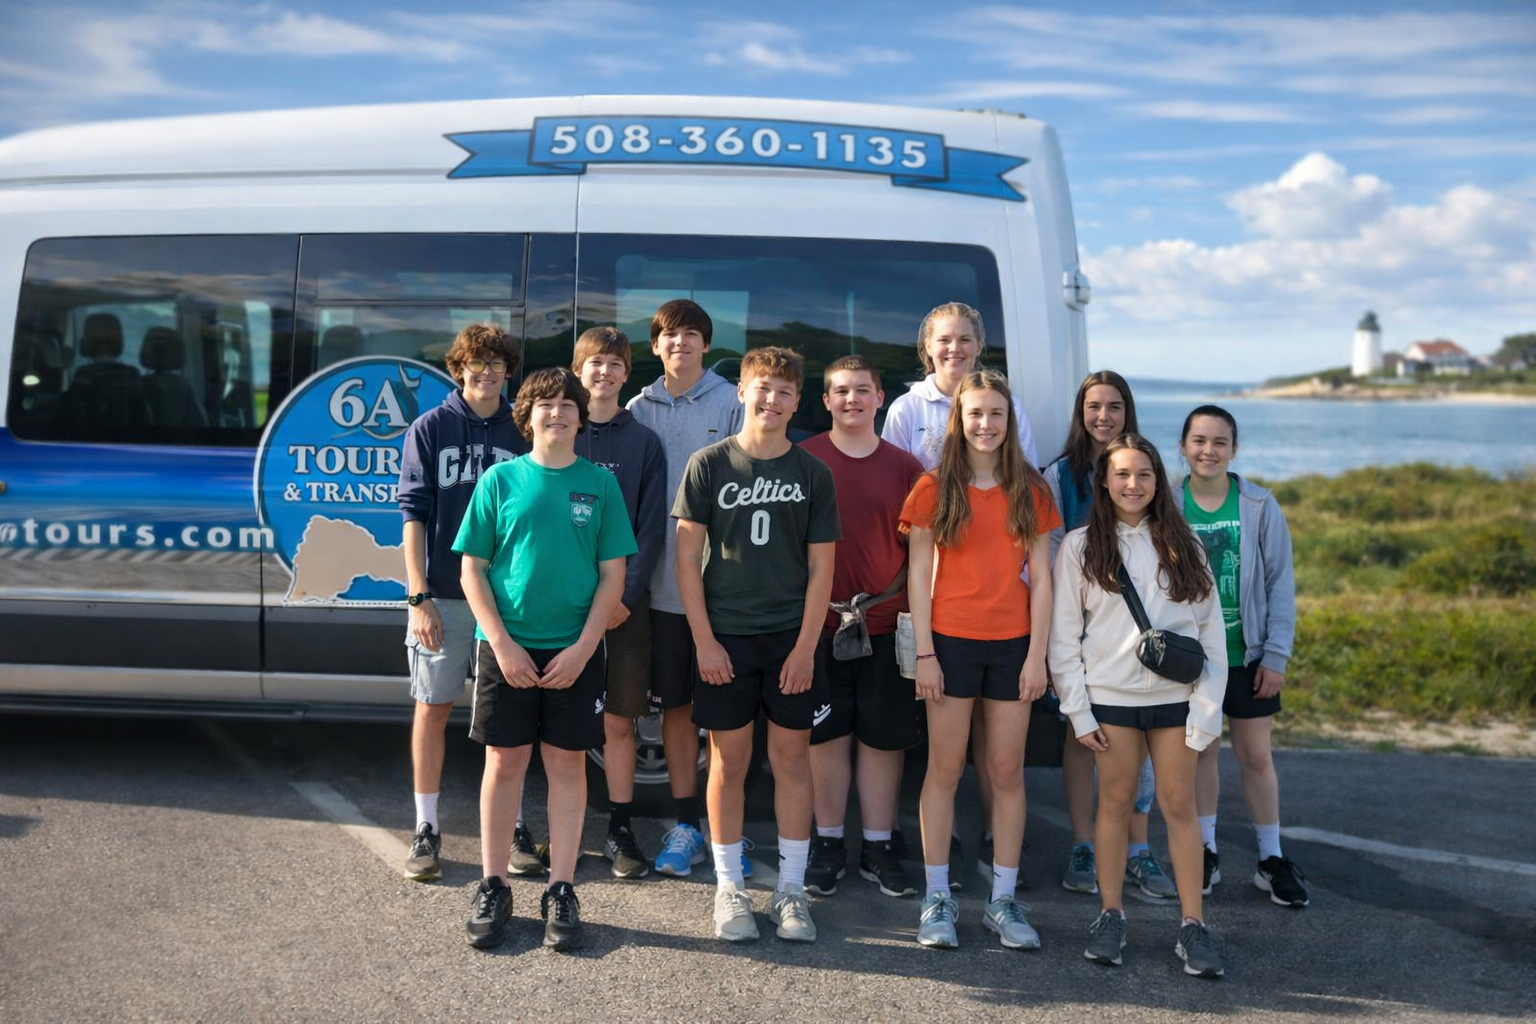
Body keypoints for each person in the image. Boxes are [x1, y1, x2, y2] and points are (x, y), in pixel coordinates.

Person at [455, 368, 637, 952]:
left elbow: (614, 575)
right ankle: (493, 885)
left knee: (567, 765)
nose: (555, 413)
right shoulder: (499, 480)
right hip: (504, 647)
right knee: (504, 763)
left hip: (574, 648)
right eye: (544, 404)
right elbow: (472, 570)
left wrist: (584, 648)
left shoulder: (600, 485)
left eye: (566, 405)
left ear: (582, 418)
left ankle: (561, 887)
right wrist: (501, 643)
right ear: (526, 414)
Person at [673, 345, 840, 943]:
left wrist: (804, 647)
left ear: (798, 402)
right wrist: (704, 640)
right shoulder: (708, 464)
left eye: (785, 392)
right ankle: (729, 889)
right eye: (762, 387)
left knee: (792, 761)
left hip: (791, 640)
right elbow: (687, 560)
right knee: (728, 760)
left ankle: (791, 891)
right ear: (741, 391)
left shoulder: (813, 473)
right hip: (726, 639)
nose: (772, 400)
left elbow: (823, 570)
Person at [1048, 434, 1228, 978]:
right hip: (1110, 703)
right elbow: (1064, 639)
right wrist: (1079, 711)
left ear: (1159, 481)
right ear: (1104, 480)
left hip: (1177, 702)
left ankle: (1193, 925)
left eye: (1144, 474)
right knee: (1116, 805)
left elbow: (1211, 637)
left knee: (1179, 807)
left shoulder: (1186, 545)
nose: (1133, 484)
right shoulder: (1080, 547)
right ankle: (1110, 915)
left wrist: (1206, 710)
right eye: (1122, 474)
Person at [900, 369, 1058, 951]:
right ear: (958, 421)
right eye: (975, 414)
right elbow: (919, 575)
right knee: (943, 771)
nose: (986, 424)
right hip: (949, 643)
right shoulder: (933, 487)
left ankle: (1003, 901)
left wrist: (1037, 656)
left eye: (996, 414)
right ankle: (937, 898)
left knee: (1005, 774)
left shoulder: (1033, 491)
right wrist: (925, 653)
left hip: (1014, 646)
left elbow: (1042, 580)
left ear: (1009, 421)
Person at [881, 302, 1039, 883]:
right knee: (941, 755)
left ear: (979, 345)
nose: (955, 348)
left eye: (965, 339)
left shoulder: (1012, 415)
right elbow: (898, 494)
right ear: (928, 348)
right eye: (944, 340)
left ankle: (1001, 866)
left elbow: (1022, 503)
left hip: (1003, 613)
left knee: (1003, 763)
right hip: (938, 604)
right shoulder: (906, 411)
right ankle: (938, 869)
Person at [397, 323, 536, 883]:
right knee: (432, 708)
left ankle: (518, 825)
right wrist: (417, 597)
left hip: (510, 603)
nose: (486, 372)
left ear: (509, 370)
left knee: (508, 721)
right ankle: (426, 827)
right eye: (476, 363)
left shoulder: (522, 427)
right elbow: (413, 515)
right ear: (459, 369)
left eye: (497, 363)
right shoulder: (431, 427)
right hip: (446, 601)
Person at [1044, 371, 1175, 901]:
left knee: (1139, 744)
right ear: (1080, 412)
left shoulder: (1146, 468)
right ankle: (1084, 844)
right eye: (1093, 406)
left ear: (1128, 412)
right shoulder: (1060, 475)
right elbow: (1051, 552)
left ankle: (1138, 850)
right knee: (1082, 736)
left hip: (1139, 636)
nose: (1104, 416)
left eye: (1114, 406)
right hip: (1083, 627)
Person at [626, 299, 744, 877]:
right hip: (661, 591)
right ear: (655, 346)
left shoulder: (733, 402)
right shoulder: (635, 409)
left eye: (692, 335)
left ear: (706, 344)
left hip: (725, 590)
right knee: (675, 709)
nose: (681, 344)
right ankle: (686, 826)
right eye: (670, 336)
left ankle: (729, 835)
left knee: (724, 717)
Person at [799, 356, 925, 899]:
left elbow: (921, 557)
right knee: (824, 736)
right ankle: (827, 843)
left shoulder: (906, 468)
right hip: (818, 625)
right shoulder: (801, 460)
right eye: (841, 391)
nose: (852, 399)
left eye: (863, 390)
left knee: (882, 740)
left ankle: (878, 845)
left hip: (884, 624)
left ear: (880, 399)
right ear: (825, 401)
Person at [1179, 405, 1308, 907]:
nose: (1208, 450)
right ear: (1184, 446)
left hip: (1250, 656)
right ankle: (1206, 852)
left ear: (1234, 449)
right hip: (1196, 660)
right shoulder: (1168, 503)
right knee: (1203, 753)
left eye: (1219, 441)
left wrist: (1276, 655)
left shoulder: (1257, 504)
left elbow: (1280, 584)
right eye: (1198, 440)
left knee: (1256, 757)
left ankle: (1270, 859)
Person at [572, 327, 667, 880]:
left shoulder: (644, 443)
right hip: (559, 608)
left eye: (613, 364)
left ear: (626, 374)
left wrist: (622, 599)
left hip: (625, 610)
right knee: (556, 720)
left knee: (620, 722)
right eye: (593, 364)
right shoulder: (562, 429)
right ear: (578, 370)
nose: (603, 373)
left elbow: (651, 530)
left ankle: (620, 827)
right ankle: (540, 829)